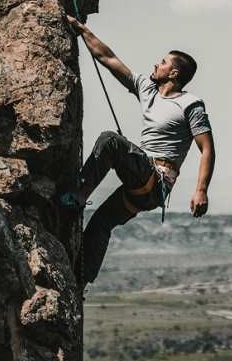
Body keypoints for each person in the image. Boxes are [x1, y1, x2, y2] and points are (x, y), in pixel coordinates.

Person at [61, 15, 216, 285]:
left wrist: (201, 189)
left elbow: (207, 149)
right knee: (100, 224)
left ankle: (78, 195)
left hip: (156, 181)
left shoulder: (191, 105)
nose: (157, 64)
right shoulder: (148, 90)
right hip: (141, 184)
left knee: (110, 140)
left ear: (174, 73)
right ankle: (79, 282)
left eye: (163, 62)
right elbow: (109, 59)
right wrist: (82, 30)